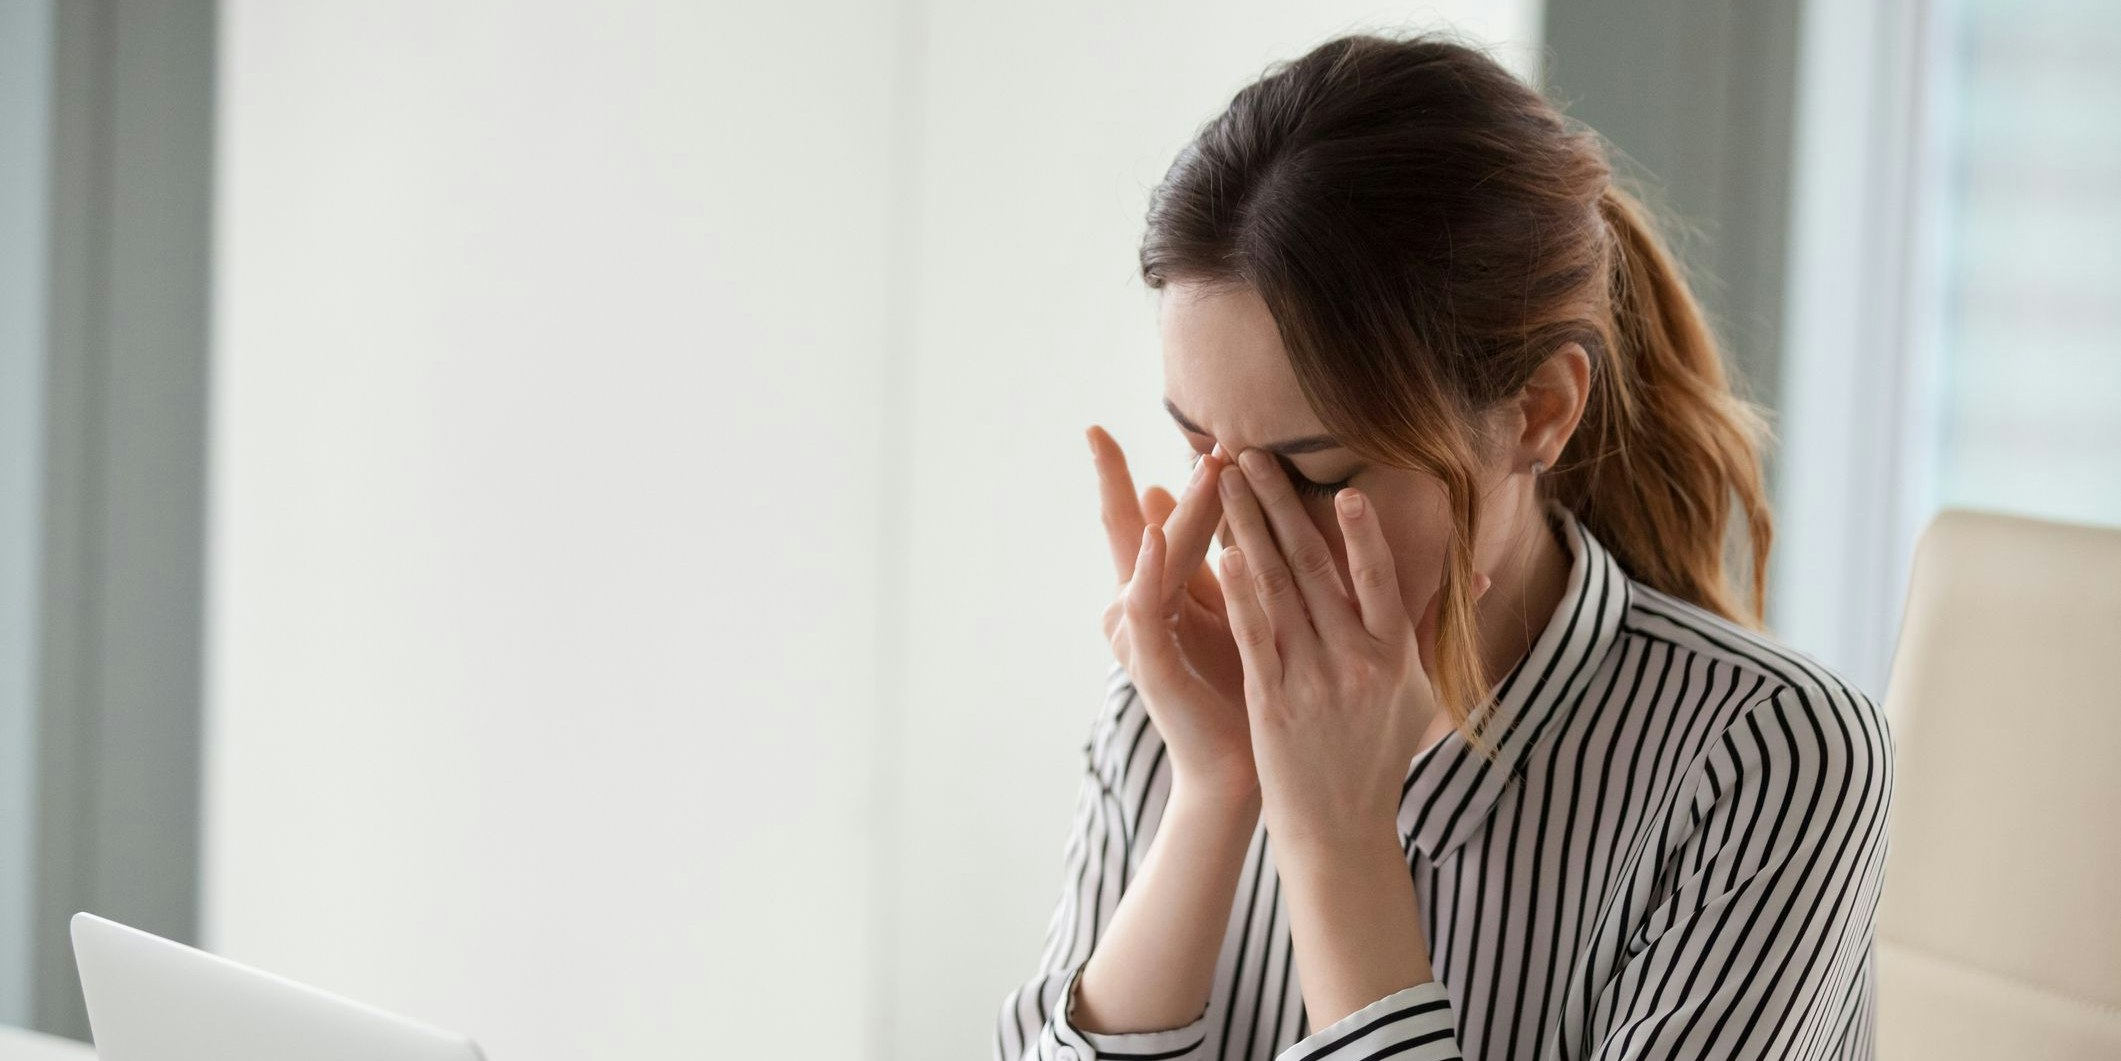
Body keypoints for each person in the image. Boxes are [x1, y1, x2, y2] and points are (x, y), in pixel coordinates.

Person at [992, 30, 1894, 1061]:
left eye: (1318, 473)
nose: (1241, 536)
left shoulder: (1764, 758)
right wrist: (1217, 788)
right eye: (1202, 452)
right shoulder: (1181, 700)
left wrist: (1340, 851)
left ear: (1539, 411)